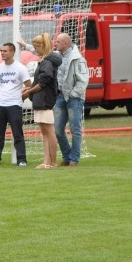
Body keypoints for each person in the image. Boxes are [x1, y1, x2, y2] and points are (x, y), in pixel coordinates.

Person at [0, 42, 31, 167]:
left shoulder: (20, 68)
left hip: (14, 105)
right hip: (0, 105)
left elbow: (28, 87)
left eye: (5, 51)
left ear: (12, 52)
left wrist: (20, 98)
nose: (2, 53)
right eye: (1, 51)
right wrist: (2, 96)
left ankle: (22, 160)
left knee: (17, 133)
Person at [21, 33, 62, 169]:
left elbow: (44, 81)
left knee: (49, 131)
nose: (35, 50)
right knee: (44, 132)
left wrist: (29, 92)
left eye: (36, 47)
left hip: (45, 99)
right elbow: (39, 81)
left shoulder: (47, 62)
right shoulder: (44, 60)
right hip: (41, 99)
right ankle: (46, 161)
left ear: (42, 46)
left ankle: (53, 162)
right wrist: (29, 89)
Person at [54, 33, 88, 166]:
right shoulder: (56, 56)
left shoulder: (78, 59)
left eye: (57, 42)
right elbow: (41, 51)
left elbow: (83, 80)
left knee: (75, 129)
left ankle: (74, 159)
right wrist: (26, 46)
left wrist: (73, 94)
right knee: (57, 129)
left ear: (65, 44)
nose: (55, 43)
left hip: (74, 99)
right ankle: (67, 156)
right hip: (60, 97)